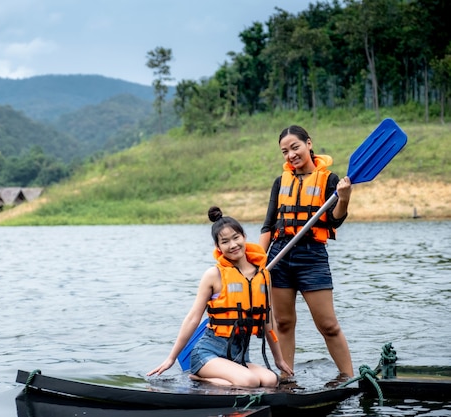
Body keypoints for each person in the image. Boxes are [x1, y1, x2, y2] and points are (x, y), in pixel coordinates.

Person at [148, 206, 293, 387]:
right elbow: (193, 318)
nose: (232, 245)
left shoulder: (263, 275)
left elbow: (268, 320)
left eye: (236, 238)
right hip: (208, 355)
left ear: (244, 237)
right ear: (218, 247)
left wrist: (278, 359)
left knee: (271, 380)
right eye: (225, 242)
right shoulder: (213, 274)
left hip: (239, 357)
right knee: (249, 382)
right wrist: (171, 358)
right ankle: (199, 377)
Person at [258, 125, 354, 379]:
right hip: (279, 256)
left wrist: (343, 198)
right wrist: (257, 264)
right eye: (285, 151)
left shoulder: (331, 180)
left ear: (308, 144)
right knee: (284, 324)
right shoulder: (280, 182)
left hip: (312, 257)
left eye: (295, 147)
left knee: (328, 325)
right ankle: (287, 381)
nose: (290, 154)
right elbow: (269, 225)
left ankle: (348, 378)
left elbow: (334, 220)